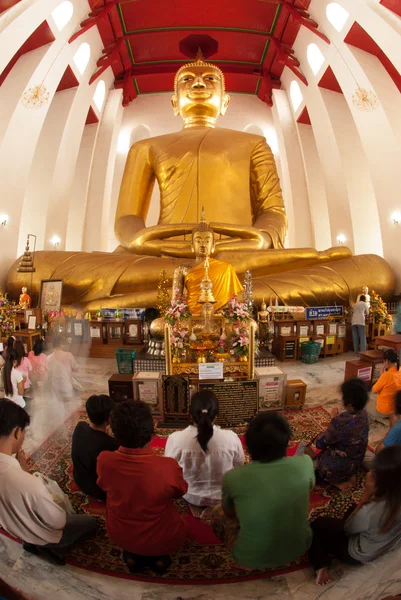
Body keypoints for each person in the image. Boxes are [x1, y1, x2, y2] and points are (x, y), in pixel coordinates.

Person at [210, 412, 314, 570]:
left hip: (250, 557)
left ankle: (243, 561)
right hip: (300, 546)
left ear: (248, 446)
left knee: (217, 513)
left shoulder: (234, 477)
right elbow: (309, 489)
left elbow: (229, 512)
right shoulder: (305, 463)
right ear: (287, 442)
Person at [0, 400, 97, 566]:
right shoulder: (30, 484)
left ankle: (28, 542)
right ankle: (50, 548)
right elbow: (58, 521)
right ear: (17, 432)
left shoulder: (19, 478)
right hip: (46, 535)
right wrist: (28, 478)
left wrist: (23, 473)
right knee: (91, 523)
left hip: (14, 528)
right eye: (23, 432)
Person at [97, 400, 188, 573]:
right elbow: (180, 492)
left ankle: (132, 555)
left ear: (112, 431)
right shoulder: (167, 466)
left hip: (119, 532)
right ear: (152, 431)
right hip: (163, 536)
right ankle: (160, 559)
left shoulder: (104, 460)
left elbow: (103, 485)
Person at [309, 446, 401, 585]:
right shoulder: (389, 501)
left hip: (358, 554)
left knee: (317, 525)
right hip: (384, 545)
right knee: (351, 508)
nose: (371, 472)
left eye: (376, 472)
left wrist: (366, 496)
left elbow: (348, 529)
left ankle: (321, 566)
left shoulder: (370, 511)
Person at [165, 390, 245, 510]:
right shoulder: (231, 438)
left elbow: (169, 470)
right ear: (216, 415)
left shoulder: (176, 439)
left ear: (190, 414)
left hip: (191, 495)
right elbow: (239, 466)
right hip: (222, 495)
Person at [313, 378, 369, 490]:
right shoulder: (364, 413)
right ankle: (348, 476)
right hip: (356, 462)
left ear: (348, 402)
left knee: (310, 456)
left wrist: (333, 419)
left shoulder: (340, 421)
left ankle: (336, 482)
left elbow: (320, 443)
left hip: (338, 467)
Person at [71, 395, 118, 501]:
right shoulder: (111, 444)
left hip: (80, 480)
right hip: (100, 491)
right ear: (109, 418)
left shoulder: (79, 427)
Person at [370, 349, 401, 418]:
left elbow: (373, 390)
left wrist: (381, 376)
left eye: (384, 361)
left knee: (367, 405)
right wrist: (382, 375)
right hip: (397, 408)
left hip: (385, 411)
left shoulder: (386, 375)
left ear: (387, 361)